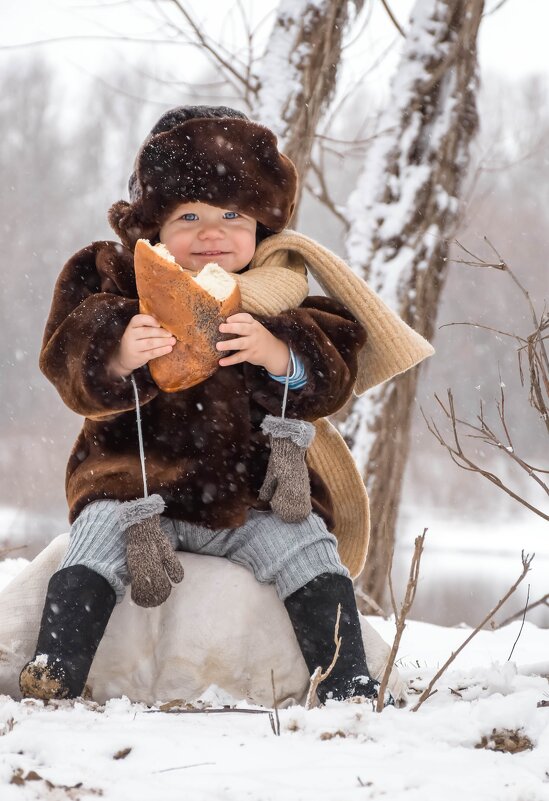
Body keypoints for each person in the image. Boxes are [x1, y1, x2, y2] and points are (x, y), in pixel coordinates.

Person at [19, 105, 433, 705]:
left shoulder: (283, 295)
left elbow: (333, 378)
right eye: (188, 215)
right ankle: (57, 665)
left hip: (249, 501)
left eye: (232, 215)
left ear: (261, 227)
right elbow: (66, 359)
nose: (211, 233)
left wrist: (278, 354)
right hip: (134, 490)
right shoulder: (112, 282)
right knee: (95, 536)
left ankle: (348, 681)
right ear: (153, 227)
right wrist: (118, 353)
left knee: (307, 548)